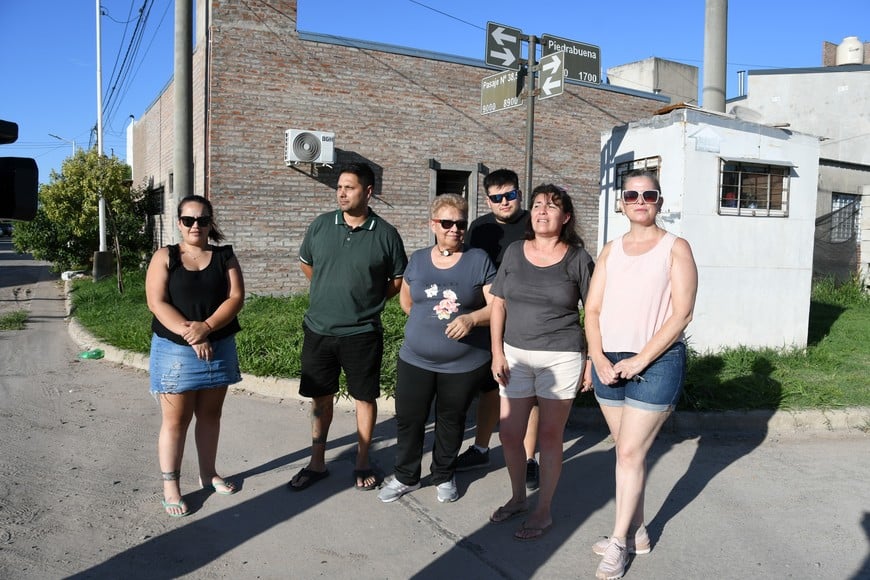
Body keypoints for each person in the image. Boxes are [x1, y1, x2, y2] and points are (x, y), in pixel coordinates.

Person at [584, 170, 698, 580]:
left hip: (657, 361)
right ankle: (639, 532)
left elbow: (681, 313)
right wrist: (596, 356)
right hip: (609, 362)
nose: (640, 200)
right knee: (626, 452)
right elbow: (592, 310)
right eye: (631, 194)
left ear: (660, 202)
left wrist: (640, 360)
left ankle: (618, 543)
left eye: (648, 194)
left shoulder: (675, 248)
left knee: (630, 453)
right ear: (621, 202)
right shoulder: (611, 250)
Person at [290, 162, 407, 492]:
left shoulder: (385, 234)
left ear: (368, 192)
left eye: (349, 187)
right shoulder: (321, 225)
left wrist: (365, 301)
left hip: (362, 333)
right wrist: (331, 292)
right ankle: (316, 462)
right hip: (319, 330)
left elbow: (396, 280)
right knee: (320, 399)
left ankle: (362, 461)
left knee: (364, 398)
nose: (341, 192)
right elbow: (307, 264)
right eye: (339, 187)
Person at [489, 184, 595, 540]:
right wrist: (497, 353)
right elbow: (499, 303)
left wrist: (592, 360)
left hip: (562, 355)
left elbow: (594, 312)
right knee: (508, 433)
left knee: (550, 436)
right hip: (515, 354)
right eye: (536, 205)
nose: (541, 211)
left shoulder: (578, 258)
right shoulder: (515, 252)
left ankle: (544, 510)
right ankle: (518, 497)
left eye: (551, 207)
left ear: (565, 218)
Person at [378, 194, 496, 503]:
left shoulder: (478, 259)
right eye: (447, 223)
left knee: (451, 420)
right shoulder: (417, 259)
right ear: (433, 224)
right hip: (415, 359)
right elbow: (407, 301)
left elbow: (497, 307)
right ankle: (406, 476)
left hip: (463, 364)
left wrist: (471, 319)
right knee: (409, 419)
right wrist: (427, 324)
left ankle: (444, 474)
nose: (455, 229)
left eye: (460, 223)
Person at [146, 194, 245, 517]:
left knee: (211, 416)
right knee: (176, 421)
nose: (195, 226)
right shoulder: (165, 256)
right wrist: (192, 334)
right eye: (188, 220)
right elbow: (156, 302)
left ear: (210, 223)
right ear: (179, 223)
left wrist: (207, 327)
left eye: (202, 220)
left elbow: (235, 297)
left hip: (218, 346)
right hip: (175, 350)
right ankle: (170, 485)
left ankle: (208, 473)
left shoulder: (224, 257)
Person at [457, 168, 542, 491]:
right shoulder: (478, 229)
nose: (505, 202)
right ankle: (480, 448)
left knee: (530, 392)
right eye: (497, 198)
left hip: (527, 317)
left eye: (510, 195)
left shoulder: (535, 222)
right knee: (491, 386)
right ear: (488, 199)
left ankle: (529, 458)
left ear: (520, 193)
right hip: (489, 317)